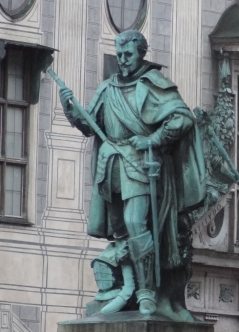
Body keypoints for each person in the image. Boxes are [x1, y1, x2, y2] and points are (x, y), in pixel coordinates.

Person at [59, 30, 205, 316]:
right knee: (122, 232)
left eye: (128, 54)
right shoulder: (108, 88)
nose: (122, 60)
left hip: (140, 164)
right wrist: (70, 109)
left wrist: (153, 140)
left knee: (136, 222)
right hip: (110, 168)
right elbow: (90, 125)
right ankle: (129, 289)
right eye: (119, 54)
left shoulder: (153, 83)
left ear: (140, 54)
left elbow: (183, 118)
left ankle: (147, 293)